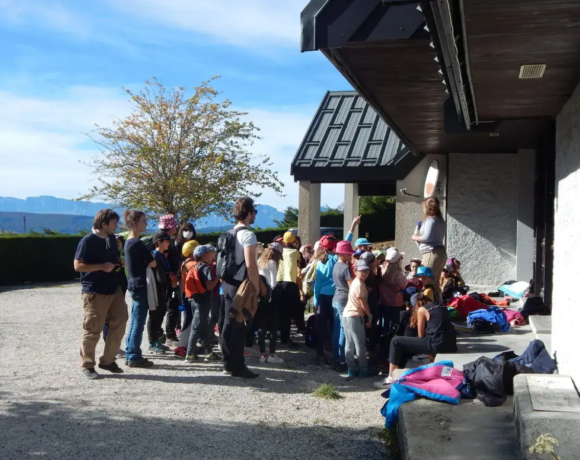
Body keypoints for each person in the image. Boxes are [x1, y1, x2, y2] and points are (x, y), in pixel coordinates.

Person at [74, 209, 128, 379]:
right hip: (95, 291)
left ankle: (108, 361)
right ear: (103, 224)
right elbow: (78, 266)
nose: (117, 226)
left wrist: (118, 262)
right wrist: (101, 266)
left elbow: (110, 259)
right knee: (93, 329)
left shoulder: (112, 238)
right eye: (114, 223)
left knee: (120, 320)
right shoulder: (87, 241)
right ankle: (87, 365)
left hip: (114, 288)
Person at [374, 293, 457, 389]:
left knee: (395, 341)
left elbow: (420, 336)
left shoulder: (422, 309)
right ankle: (426, 356)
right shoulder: (441, 307)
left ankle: (391, 379)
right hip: (451, 345)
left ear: (416, 305)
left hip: (436, 345)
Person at [220, 197, 260, 379]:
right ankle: (238, 367)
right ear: (249, 214)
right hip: (241, 286)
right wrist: (257, 287)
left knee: (227, 325)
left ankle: (227, 363)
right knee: (241, 325)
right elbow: (251, 265)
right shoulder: (249, 235)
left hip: (227, 284)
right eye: (254, 213)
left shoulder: (229, 232)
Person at [313, 216, 360, 365]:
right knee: (336, 326)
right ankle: (336, 353)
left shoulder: (318, 262)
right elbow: (347, 241)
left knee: (321, 326)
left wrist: (315, 301)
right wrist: (353, 225)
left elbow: (317, 284)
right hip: (335, 296)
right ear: (335, 248)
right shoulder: (336, 260)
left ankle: (319, 353)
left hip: (321, 297)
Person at [124, 210, 157, 368]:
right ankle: (134, 356)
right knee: (138, 322)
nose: (146, 223)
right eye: (144, 221)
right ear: (135, 223)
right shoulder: (137, 243)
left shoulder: (128, 241)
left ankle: (130, 352)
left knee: (134, 320)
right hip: (140, 284)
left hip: (132, 283)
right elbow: (153, 263)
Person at [185, 245, 221, 362]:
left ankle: (208, 352)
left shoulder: (197, 266)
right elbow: (209, 285)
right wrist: (218, 276)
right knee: (196, 328)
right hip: (203, 301)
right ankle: (189, 354)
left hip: (195, 299)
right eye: (212, 252)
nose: (214, 254)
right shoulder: (205, 267)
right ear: (204, 255)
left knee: (203, 327)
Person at [343, 260, 375, 378]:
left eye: (367, 270)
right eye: (362, 271)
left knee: (349, 343)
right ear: (355, 271)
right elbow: (362, 302)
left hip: (347, 314)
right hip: (355, 315)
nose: (365, 273)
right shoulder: (360, 284)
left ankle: (351, 369)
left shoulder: (355, 282)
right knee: (359, 344)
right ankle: (363, 369)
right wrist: (369, 315)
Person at [411, 197, 447, 295]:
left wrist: (415, 237)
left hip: (431, 253)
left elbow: (427, 238)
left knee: (426, 282)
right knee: (435, 285)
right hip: (439, 253)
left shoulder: (431, 220)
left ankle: (428, 308)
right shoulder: (440, 220)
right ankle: (439, 306)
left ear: (428, 207)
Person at [256, 242, 284, 364]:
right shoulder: (272, 263)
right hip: (270, 300)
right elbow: (273, 283)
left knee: (261, 327)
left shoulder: (259, 262)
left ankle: (262, 355)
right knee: (273, 328)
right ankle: (272, 355)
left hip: (260, 299)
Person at [146, 232, 172, 355]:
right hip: (156, 289)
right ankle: (152, 342)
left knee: (160, 313)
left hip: (162, 289)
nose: (169, 243)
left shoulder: (161, 255)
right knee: (154, 315)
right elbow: (160, 276)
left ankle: (157, 340)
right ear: (159, 242)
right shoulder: (155, 255)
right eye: (166, 241)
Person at [330, 240, 355, 371]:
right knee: (344, 330)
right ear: (343, 254)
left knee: (336, 329)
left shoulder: (335, 265)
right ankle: (341, 359)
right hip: (344, 299)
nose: (351, 255)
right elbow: (352, 287)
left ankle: (335, 357)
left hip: (336, 298)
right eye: (349, 253)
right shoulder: (345, 268)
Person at [102, 234, 128, 358]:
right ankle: (111, 348)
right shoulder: (109, 257)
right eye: (115, 241)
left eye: (119, 241)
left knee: (118, 318)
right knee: (108, 319)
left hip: (121, 289)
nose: (118, 243)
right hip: (111, 290)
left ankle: (114, 347)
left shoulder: (120, 256)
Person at [158, 215, 181, 345]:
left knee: (170, 306)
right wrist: (171, 276)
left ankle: (165, 334)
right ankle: (168, 335)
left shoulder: (167, 239)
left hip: (169, 277)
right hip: (168, 278)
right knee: (170, 306)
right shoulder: (164, 239)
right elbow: (164, 259)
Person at [276, 231, 302, 349]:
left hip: (277, 283)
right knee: (288, 314)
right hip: (289, 283)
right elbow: (299, 267)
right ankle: (285, 339)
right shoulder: (295, 252)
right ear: (294, 241)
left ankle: (276, 335)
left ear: (284, 241)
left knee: (278, 312)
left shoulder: (279, 251)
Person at [379, 248, 407, 334]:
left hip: (384, 302)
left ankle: (383, 342)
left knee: (385, 323)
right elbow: (405, 285)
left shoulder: (381, 270)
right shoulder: (399, 274)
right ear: (398, 261)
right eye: (401, 258)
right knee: (394, 325)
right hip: (395, 303)